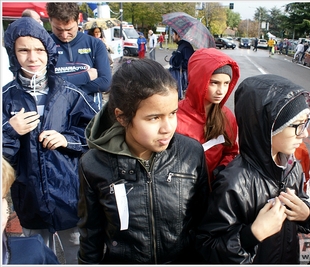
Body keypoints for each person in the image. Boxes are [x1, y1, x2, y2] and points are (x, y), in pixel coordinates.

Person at [77, 58, 209, 264]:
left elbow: (203, 223)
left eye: (173, 113)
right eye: (154, 118)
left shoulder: (191, 153)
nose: (167, 128)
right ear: (121, 117)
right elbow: (90, 236)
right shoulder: (93, 164)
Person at [2, 17, 99, 264]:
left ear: (49, 51)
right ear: (12, 53)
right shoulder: (5, 98)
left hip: (69, 197)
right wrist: (10, 130)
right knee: (34, 254)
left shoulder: (70, 93)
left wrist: (66, 139)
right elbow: (4, 159)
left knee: (76, 252)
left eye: (39, 50)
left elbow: (97, 134)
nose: (32, 58)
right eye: (23, 50)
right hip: (29, 198)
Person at [196, 74, 310, 264]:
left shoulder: (293, 167)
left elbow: (300, 206)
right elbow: (207, 246)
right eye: (296, 125)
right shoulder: (233, 183)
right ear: (267, 126)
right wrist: (251, 235)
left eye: (306, 123)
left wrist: (307, 215)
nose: (304, 134)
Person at [176, 48, 240, 185]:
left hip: (213, 190)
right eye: (214, 83)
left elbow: (231, 151)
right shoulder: (175, 115)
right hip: (180, 192)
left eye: (226, 83)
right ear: (199, 80)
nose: (221, 91)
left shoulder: (227, 117)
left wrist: (222, 169)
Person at [46, 2, 112, 110]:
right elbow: (47, 83)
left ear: (78, 21)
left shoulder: (95, 44)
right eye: (58, 29)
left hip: (89, 111)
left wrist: (63, 85)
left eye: (69, 29)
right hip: (57, 111)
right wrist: (86, 77)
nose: (64, 35)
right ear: (50, 21)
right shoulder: (44, 45)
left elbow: (105, 83)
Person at [2, 157, 60, 264]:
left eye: (3, 198)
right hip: (30, 203)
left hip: (65, 202)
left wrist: (69, 143)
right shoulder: (32, 250)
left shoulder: (34, 250)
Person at [168, 29, 195, 100]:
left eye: (174, 34)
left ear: (178, 35)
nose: (172, 36)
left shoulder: (185, 47)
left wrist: (177, 61)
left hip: (181, 77)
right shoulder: (182, 46)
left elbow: (188, 63)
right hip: (178, 75)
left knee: (180, 99)